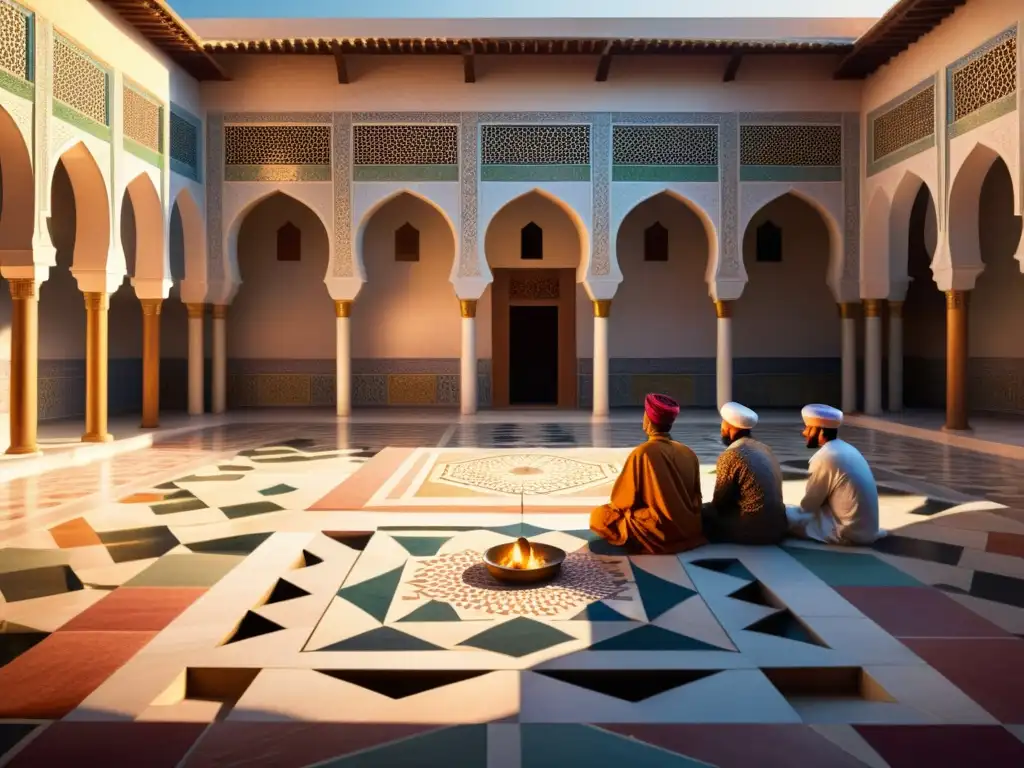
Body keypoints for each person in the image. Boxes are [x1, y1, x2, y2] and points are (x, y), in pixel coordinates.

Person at [590, 393, 705, 554]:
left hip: (661, 529)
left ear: (648, 420)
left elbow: (622, 501)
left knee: (599, 516)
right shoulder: (688, 452)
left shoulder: (643, 453)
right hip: (690, 527)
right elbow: (696, 497)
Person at [785, 404, 885, 545]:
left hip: (848, 532)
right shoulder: (846, 448)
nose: (804, 433)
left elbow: (808, 506)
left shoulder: (826, 457)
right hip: (867, 529)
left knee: (784, 515)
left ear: (819, 431)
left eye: (808, 428)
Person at [702, 402, 788, 545]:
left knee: (700, 513)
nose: (721, 428)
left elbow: (720, 503)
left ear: (729, 427)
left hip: (752, 531)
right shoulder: (765, 448)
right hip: (780, 527)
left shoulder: (732, 454)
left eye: (723, 424)